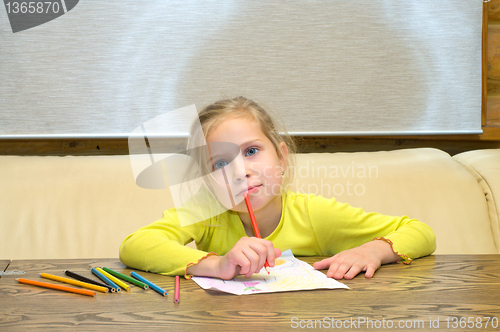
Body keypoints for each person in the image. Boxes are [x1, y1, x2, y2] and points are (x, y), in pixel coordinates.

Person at [120, 96, 436, 280]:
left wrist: (373, 250)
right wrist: (217, 265)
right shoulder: (206, 212)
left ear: (282, 157)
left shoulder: (314, 213)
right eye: (219, 164)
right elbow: (136, 245)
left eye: (251, 151)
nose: (240, 172)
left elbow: (419, 231)